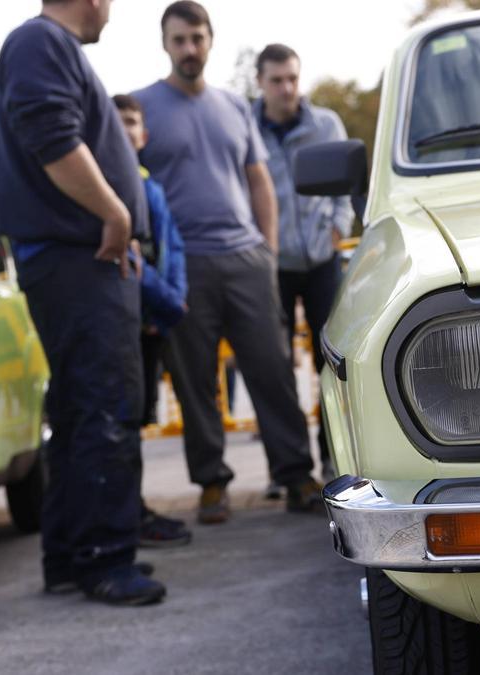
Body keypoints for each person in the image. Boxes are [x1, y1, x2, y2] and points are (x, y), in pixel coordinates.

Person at [0, 0, 164, 605]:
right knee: (105, 405)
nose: (111, 10)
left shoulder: (42, 46)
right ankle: (105, 558)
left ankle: (70, 554)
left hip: (74, 260)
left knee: (78, 410)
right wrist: (115, 212)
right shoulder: (40, 42)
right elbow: (52, 137)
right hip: (78, 260)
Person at [133, 1, 322, 524]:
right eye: (179, 40)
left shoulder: (235, 107)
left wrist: (267, 250)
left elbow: (259, 180)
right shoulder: (142, 106)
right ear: (165, 45)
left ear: (210, 40)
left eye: (197, 38)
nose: (189, 48)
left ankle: (296, 475)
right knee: (194, 380)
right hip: (184, 265)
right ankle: (212, 482)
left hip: (245, 259)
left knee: (272, 370)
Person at [254, 44, 354, 483]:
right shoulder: (246, 128)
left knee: (330, 363)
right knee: (274, 369)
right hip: (271, 265)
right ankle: (290, 470)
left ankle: (333, 457)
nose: (287, 88)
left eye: (292, 78)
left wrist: (337, 227)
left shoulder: (326, 124)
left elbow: (346, 184)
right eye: (276, 80)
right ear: (260, 82)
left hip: (320, 260)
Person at [112, 93, 193, 548]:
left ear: (143, 135)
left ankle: (134, 509)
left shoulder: (151, 188)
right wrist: (168, 301)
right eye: (117, 121)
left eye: (132, 122)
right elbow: (130, 262)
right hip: (130, 322)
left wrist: (171, 298)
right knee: (121, 421)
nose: (126, 130)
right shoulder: (110, 185)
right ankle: (128, 515)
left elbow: (171, 248)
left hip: (153, 322)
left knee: (137, 418)